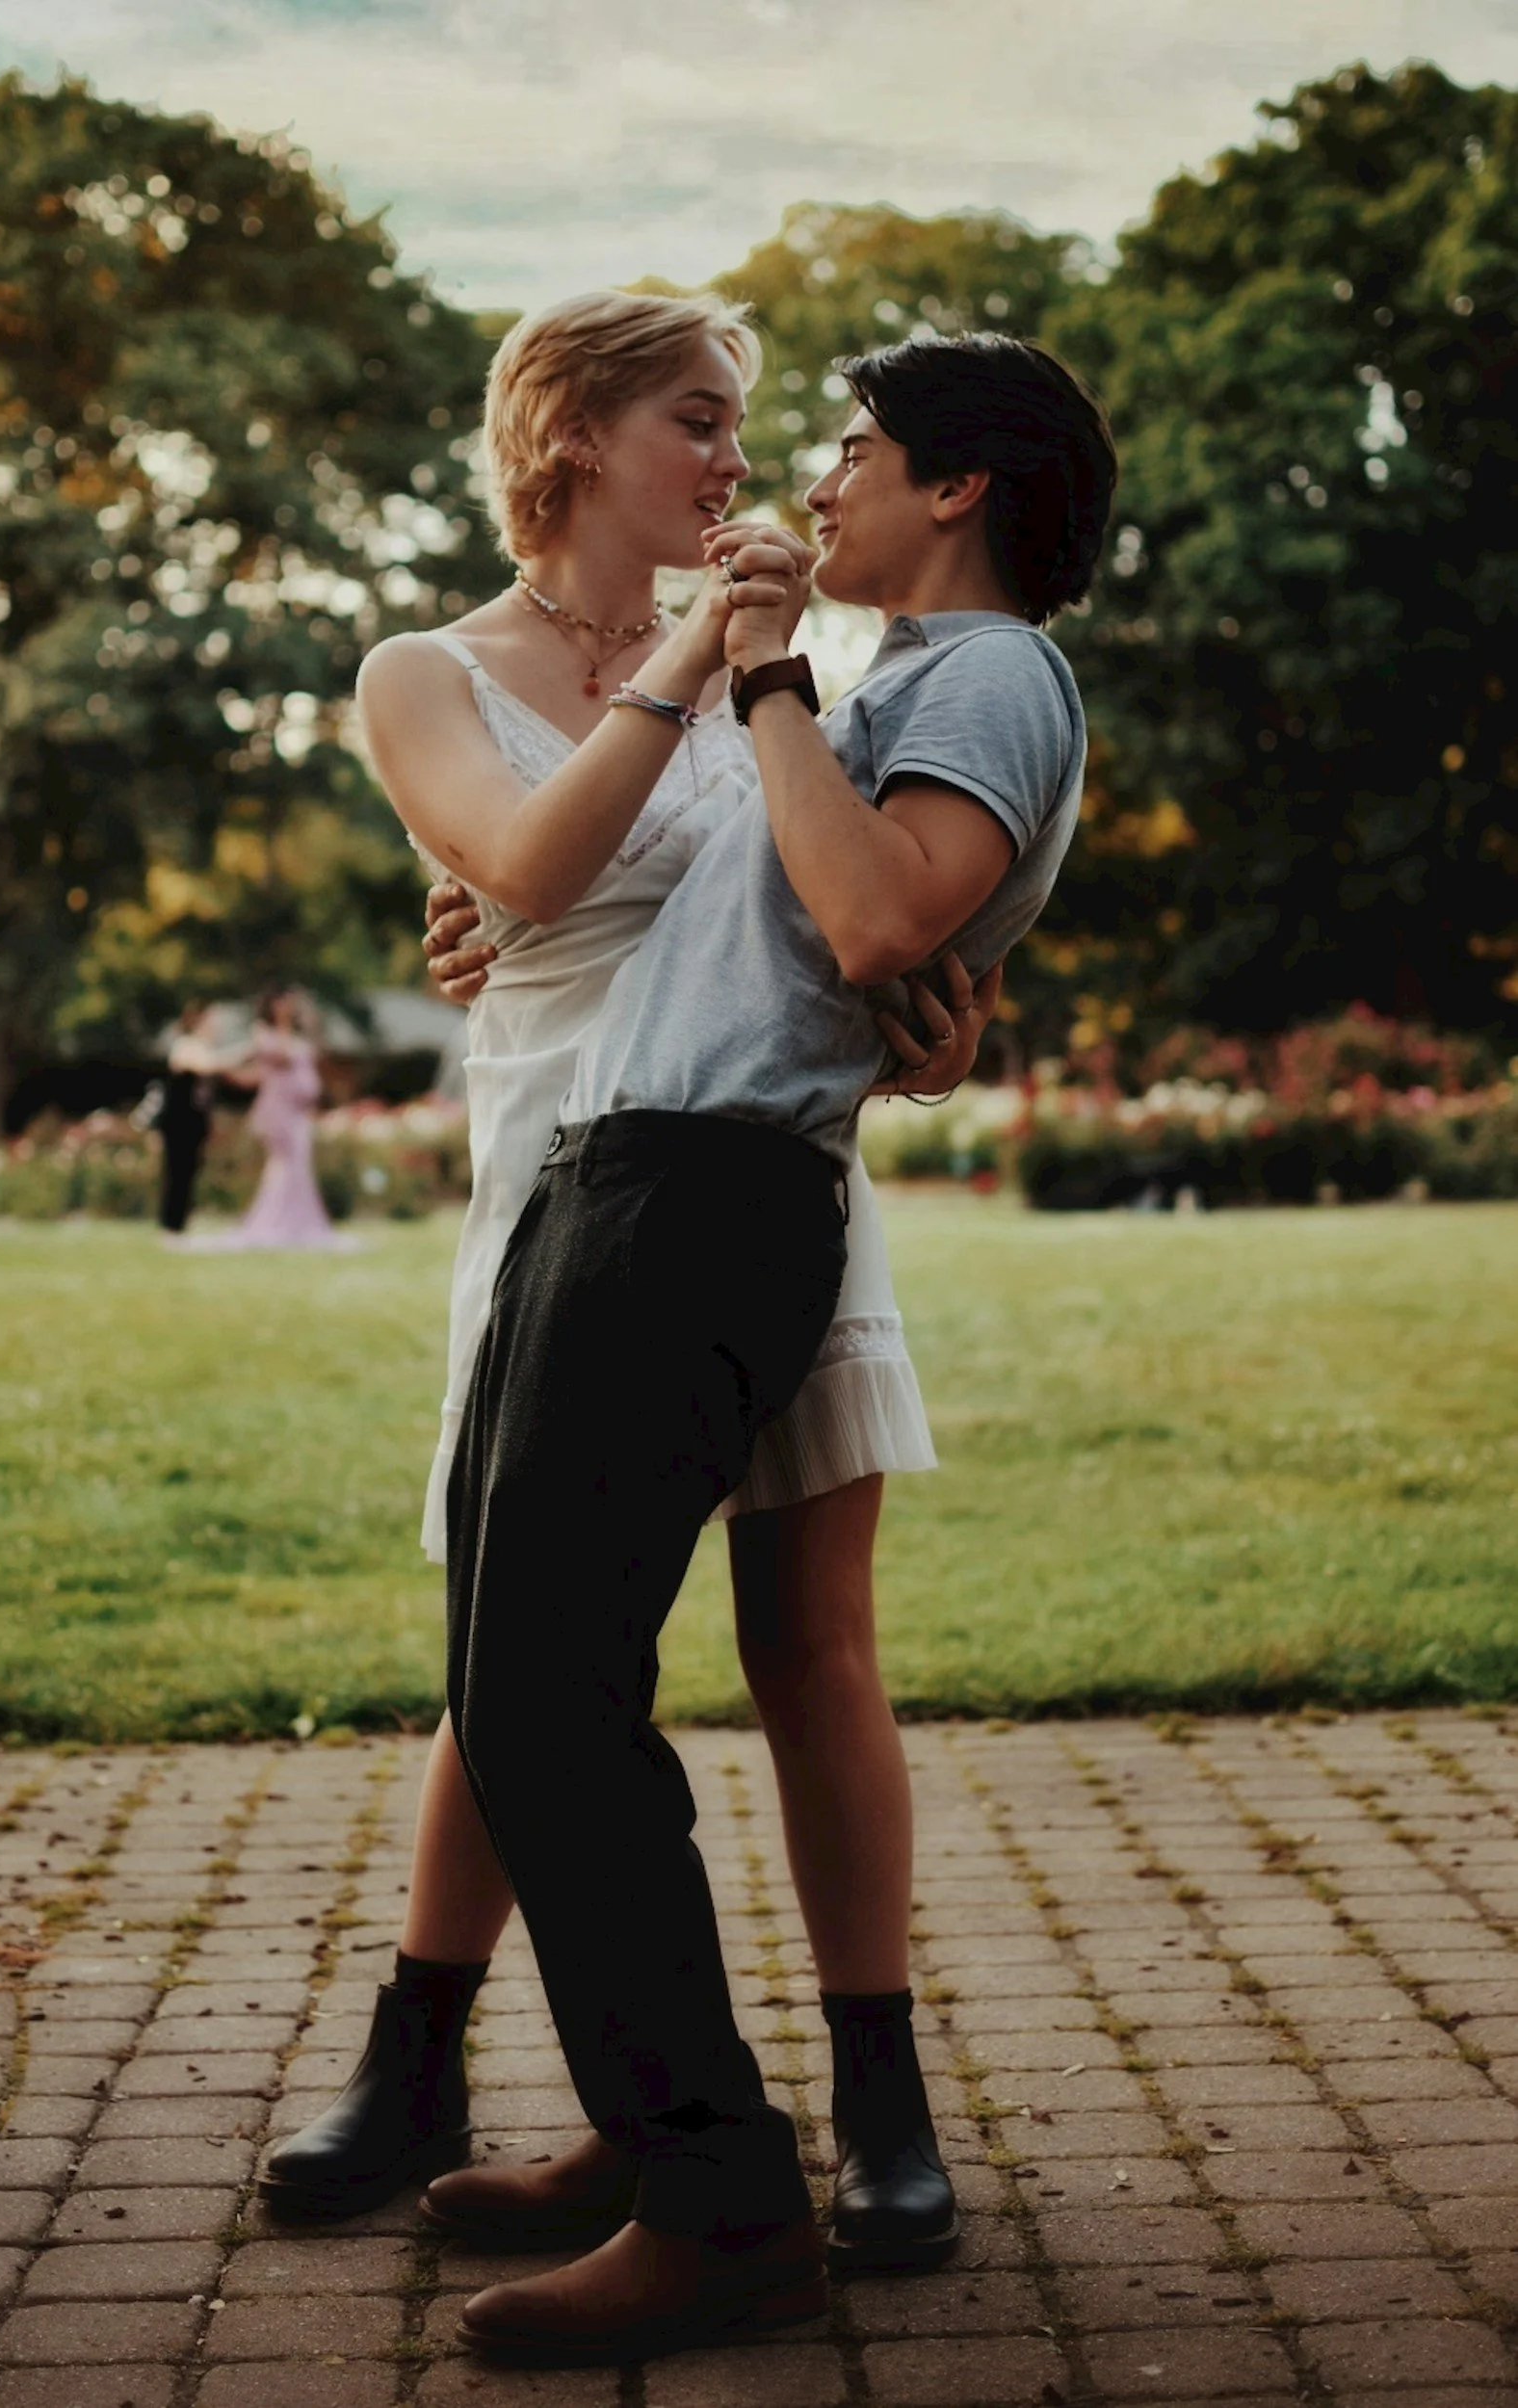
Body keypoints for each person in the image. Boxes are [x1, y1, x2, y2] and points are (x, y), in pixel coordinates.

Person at [261, 291, 989, 2273]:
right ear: (573, 428)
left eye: (747, 426)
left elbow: (846, 907)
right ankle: (423, 2052)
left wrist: (938, 1014)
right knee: (520, 1650)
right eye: (699, 417)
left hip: (760, 1189)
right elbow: (531, 861)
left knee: (808, 1636)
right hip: (551, 1179)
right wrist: (698, 649)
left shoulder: (784, 669)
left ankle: (882, 2102)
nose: (739, 462)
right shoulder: (424, 668)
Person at [420, 326, 1115, 2367]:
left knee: (547, 1695)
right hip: (609, 1167)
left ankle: (720, 2194)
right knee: (525, 1668)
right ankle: (668, 2134)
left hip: (704, 1197)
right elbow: (678, 882)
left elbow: (884, 915)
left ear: (959, 485)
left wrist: (777, 679)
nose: (819, 479)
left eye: (855, 447)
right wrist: (474, 917)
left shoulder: (986, 673)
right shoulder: (881, 680)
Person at [226, 988, 349, 1250]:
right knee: (285, 1165)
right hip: (280, 1112)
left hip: (300, 1113)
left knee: (298, 1166)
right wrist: (283, 1023)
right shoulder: (265, 1032)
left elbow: (313, 1055)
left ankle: (298, 1221)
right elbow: (281, 1057)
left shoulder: (296, 1035)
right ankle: (277, 1222)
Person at [154, 1003, 220, 1239]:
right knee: (176, 1172)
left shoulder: (206, 1049)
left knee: (190, 1172)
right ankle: (171, 1226)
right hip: (178, 1123)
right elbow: (201, 1067)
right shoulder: (186, 1046)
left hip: (195, 1123)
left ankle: (182, 1223)